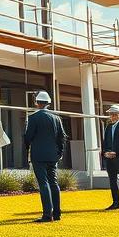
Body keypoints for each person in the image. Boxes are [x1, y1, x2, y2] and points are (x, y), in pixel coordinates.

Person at [24, 91, 67, 223]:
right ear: (48, 103)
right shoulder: (57, 118)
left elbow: (28, 137)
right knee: (53, 182)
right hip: (53, 155)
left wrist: (27, 148)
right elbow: (62, 137)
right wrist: (59, 153)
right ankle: (57, 213)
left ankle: (47, 215)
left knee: (43, 183)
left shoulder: (33, 118)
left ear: (37, 103)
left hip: (39, 155)